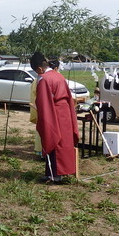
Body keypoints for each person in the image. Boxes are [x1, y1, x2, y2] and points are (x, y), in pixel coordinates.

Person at [30, 52, 79, 182]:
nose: (37, 74)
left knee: (53, 139)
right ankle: (60, 172)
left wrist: (42, 116)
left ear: (40, 68)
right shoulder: (59, 76)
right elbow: (69, 97)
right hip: (65, 113)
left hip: (54, 114)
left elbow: (44, 102)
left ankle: (55, 175)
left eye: (36, 71)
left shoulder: (44, 79)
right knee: (64, 143)